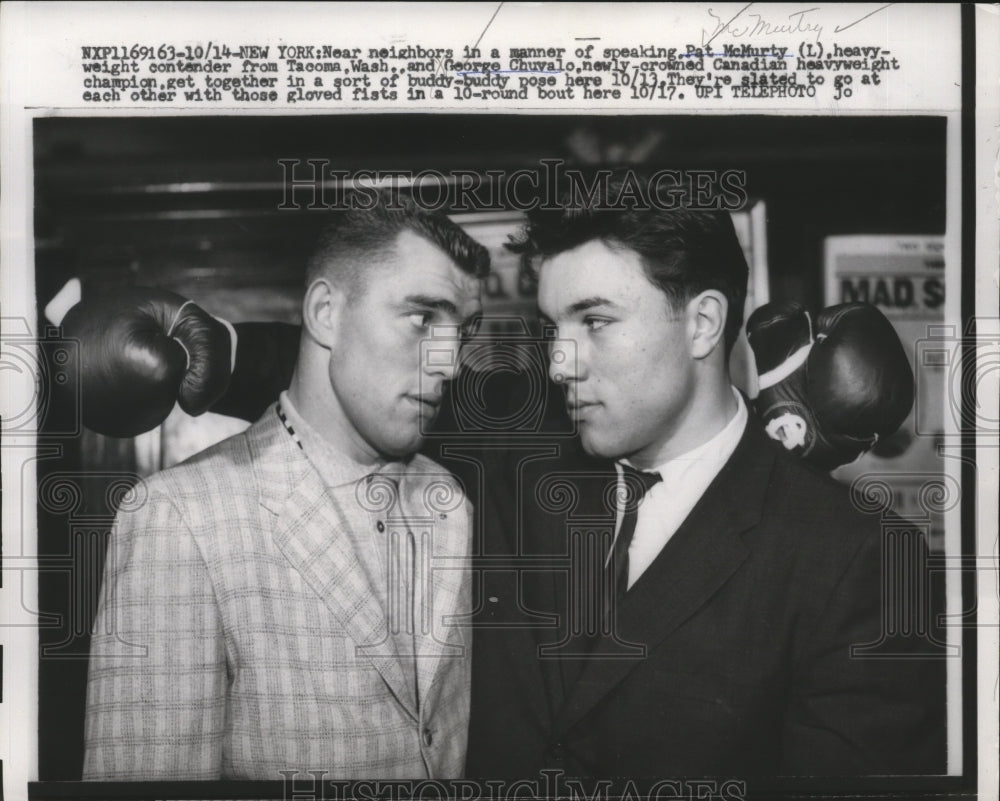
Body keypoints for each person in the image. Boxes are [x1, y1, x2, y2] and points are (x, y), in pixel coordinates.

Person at [72, 176, 945, 781]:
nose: (560, 361)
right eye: (553, 324)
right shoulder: (522, 452)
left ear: (704, 322)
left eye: (595, 321)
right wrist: (218, 353)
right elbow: (371, 370)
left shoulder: (860, 561)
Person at [82, 196, 488, 780]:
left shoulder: (450, 500)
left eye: (463, 332)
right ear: (325, 313)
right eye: (423, 318)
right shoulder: (179, 519)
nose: (451, 363)